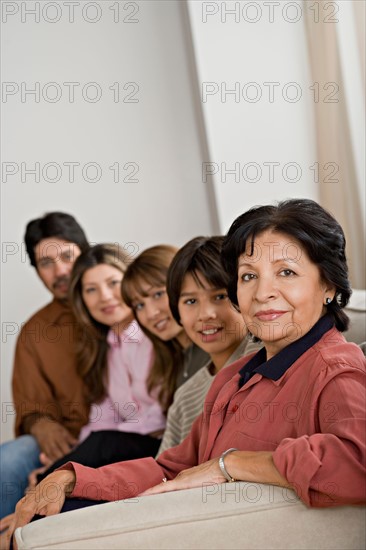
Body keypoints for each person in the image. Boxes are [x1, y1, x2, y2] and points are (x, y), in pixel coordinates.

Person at [7, 199, 366, 546]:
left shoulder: (335, 369)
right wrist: (72, 478)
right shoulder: (234, 377)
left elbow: (356, 465)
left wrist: (232, 464)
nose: (263, 292)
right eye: (248, 276)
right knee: (44, 513)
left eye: (286, 272)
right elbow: (171, 467)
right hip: (187, 523)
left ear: (328, 286)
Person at [35, 244, 166, 482]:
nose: (104, 297)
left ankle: (44, 486)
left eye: (113, 283)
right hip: (128, 447)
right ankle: (42, 486)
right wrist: (68, 458)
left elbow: (159, 416)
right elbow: (104, 414)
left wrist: (98, 444)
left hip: (164, 443)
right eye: (91, 290)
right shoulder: (106, 347)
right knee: (65, 466)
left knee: (101, 444)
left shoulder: (157, 333)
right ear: (82, 299)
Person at [0, 212, 89, 520]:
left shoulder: (116, 306)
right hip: (62, 442)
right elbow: (29, 407)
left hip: (123, 433)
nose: (60, 270)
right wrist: (41, 424)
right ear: (37, 271)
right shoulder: (34, 331)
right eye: (46, 263)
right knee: (8, 459)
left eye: (67, 256)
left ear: (85, 252)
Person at [158, 236, 260, 455]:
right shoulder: (185, 397)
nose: (206, 315)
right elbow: (162, 470)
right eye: (191, 301)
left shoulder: (268, 355)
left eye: (220, 296)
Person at [121, 245, 209, 414]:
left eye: (158, 295)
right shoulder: (172, 361)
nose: (151, 313)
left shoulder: (213, 349)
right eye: (139, 305)